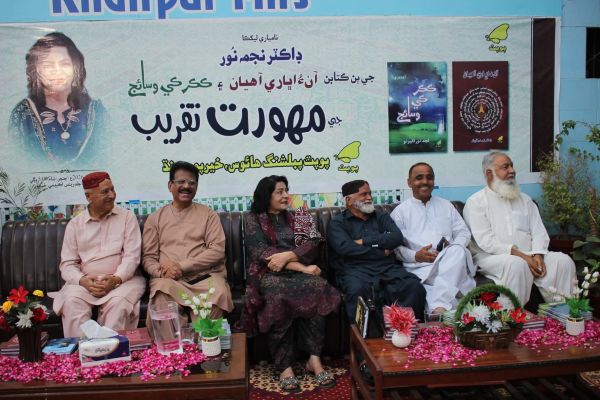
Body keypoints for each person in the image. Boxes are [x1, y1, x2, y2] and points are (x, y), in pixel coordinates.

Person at [236, 175, 341, 393]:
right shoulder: (253, 218)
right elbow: (264, 254)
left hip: (297, 271)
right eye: (279, 192)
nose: (286, 196)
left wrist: (288, 255)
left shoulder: (298, 215)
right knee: (277, 296)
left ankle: (314, 359)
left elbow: (314, 242)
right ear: (266, 195)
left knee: (319, 287)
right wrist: (301, 267)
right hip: (268, 274)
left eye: (286, 190)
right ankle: (284, 366)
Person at [463, 151, 576, 305]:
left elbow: (539, 232)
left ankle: (562, 312)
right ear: (490, 174)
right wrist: (523, 256)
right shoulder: (475, 203)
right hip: (491, 257)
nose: (512, 170)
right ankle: (513, 316)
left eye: (512, 166)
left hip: (531, 255)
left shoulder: (525, 200)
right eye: (505, 167)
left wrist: (538, 255)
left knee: (563, 261)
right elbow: (486, 241)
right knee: (517, 264)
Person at [50, 172, 145, 337]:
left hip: (123, 282)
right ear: (89, 197)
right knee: (72, 303)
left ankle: (111, 351)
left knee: (118, 305)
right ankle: (82, 351)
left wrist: (116, 279)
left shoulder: (127, 218)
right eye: (105, 192)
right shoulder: (75, 225)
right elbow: (67, 264)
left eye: (112, 189)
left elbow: (132, 257)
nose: (112, 195)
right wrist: (83, 280)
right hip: (85, 283)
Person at [142, 161, 233, 332]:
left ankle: (207, 345)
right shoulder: (155, 218)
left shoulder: (209, 215)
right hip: (169, 280)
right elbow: (149, 258)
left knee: (217, 292)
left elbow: (217, 251)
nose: (186, 186)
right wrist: (162, 272)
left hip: (204, 278)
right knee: (161, 295)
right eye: (181, 182)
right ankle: (172, 348)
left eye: (192, 183)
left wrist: (181, 266)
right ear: (170, 186)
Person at [327, 179, 426, 322]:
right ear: (349, 200)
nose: (369, 198)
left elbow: (396, 238)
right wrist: (380, 251)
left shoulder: (381, 216)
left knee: (413, 287)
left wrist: (364, 241)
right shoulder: (338, 223)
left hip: (387, 268)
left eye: (370, 193)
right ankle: (366, 336)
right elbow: (346, 248)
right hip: (355, 270)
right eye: (363, 194)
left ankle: (405, 331)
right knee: (357, 291)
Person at [8, 32, 105, 166]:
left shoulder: (96, 111)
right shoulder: (22, 114)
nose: (57, 71)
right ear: (35, 70)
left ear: (76, 67)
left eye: (65, 64)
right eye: (48, 65)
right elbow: (17, 162)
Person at [390, 163, 476, 314]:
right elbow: (395, 247)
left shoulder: (446, 206)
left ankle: (438, 306)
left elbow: (463, 233)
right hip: (421, 268)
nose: (425, 181)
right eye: (419, 178)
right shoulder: (400, 212)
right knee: (455, 301)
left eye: (429, 177)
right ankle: (442, 304)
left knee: (457, 250)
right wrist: (416, 255)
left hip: (450, 263)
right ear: (409, 183)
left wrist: (450, 248)